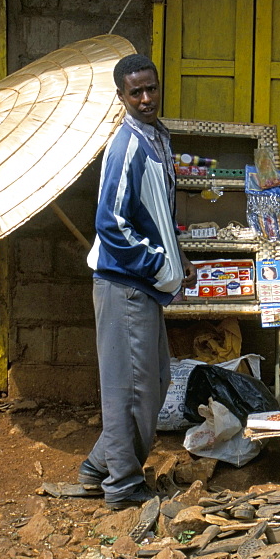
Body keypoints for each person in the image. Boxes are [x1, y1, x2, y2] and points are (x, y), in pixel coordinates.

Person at [79, 54, 197, 510]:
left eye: (151, 88)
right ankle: (123, 486)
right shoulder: (126, 145)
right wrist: (155, 265)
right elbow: (110, 222)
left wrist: (177, 255)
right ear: (121, 97)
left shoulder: (159, 137)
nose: (146, 99)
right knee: (132, 390)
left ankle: (97, 469)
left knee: (154, 380)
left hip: (143, 284)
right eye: (136, 93)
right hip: (125, 283)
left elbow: (160, 213)